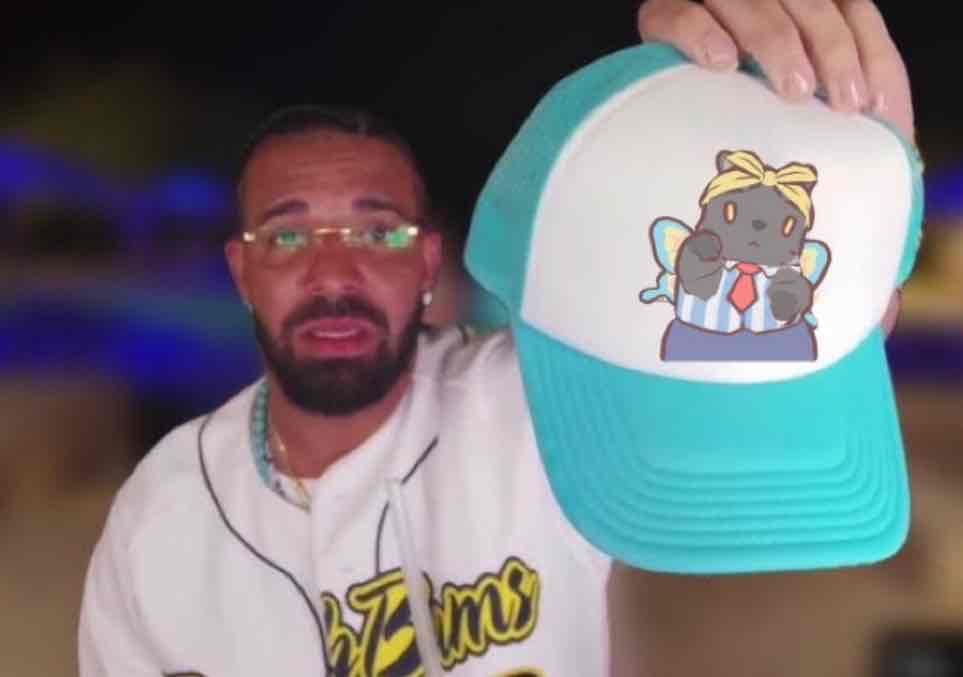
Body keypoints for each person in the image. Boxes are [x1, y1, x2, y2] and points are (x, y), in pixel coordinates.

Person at [78, 2, 916, 675]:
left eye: (378, 233)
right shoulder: (163, 513)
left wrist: (859, 172)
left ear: (428, 265)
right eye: (288, 236)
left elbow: (784, 352)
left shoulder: (534, 404)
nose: (333, 272)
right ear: (241, 269)